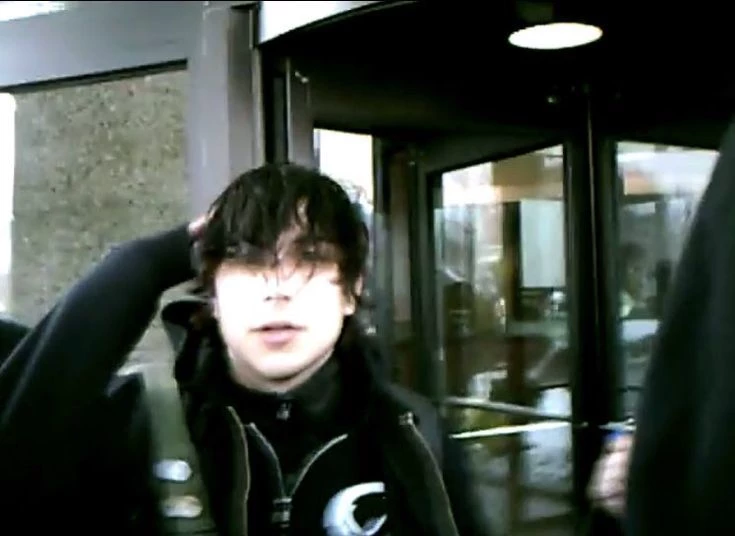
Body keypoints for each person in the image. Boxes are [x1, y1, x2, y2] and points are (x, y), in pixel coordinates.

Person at [0, 163, 492, 535]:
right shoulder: (135, 425)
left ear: (351, 290)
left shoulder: (415, 438)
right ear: (211, 293)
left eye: (311, 257)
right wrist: (143, 265)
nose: (278, 289)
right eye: (249, 260)